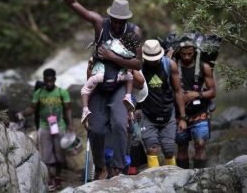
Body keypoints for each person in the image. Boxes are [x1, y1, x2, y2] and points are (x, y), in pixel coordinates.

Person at [53, 0, 143, 179]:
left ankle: (119, 168)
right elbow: (73, 4)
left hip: (120, 83)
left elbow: (138, 63)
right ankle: (101, 167)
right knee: (96, 129)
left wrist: (112, 56)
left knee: (121, 124)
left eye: (122, 21)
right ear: (110, 17)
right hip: (99, 85)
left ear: (127, 19)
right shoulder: (100, 24)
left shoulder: (133, 32)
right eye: (115, 21)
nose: (118, 25)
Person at [16, 68, 74, 191]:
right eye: (46, 81)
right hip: (44, 127)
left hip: (59, 126)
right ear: (43, 80)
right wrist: (22, 113)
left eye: (51, 80)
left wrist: (70, 124)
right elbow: (32, 108)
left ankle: (58, 179)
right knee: (45, 157)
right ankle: (51, 180)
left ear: (55, 79)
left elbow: (68, 109)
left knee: (59, 156)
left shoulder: (61, 92)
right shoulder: (39, 93)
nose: (49, 83)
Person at [140, 39, 187, 168]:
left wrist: (182, 117)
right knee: (151, 149)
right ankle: (154, 182)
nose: (153, 61)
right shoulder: (139, 66)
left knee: (169, 150)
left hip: (167, 112)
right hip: (147, 113)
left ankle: (171, 180)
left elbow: (178, 91)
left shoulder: (170, 65)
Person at [174, 38, 216, 169]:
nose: (187, 57)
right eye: (183, 54)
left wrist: (197, 94)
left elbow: (213, 91)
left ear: (195, 52)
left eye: (190, 53)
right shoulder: (172, 65)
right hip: (178, 114)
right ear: (178, 52)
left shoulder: (204, 67)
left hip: (199, 112)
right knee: (181, 146)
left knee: (200, 144)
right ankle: (182, 178)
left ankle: (200, 178)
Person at [80, 34, 142, 123]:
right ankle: (128, 96)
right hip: (119, 77)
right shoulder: (129, 54)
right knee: (130, 76)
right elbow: (134, 64)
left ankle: (85, 109)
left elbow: (99, 50)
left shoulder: (111, 43)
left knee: (85, 90)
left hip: (99, 75)